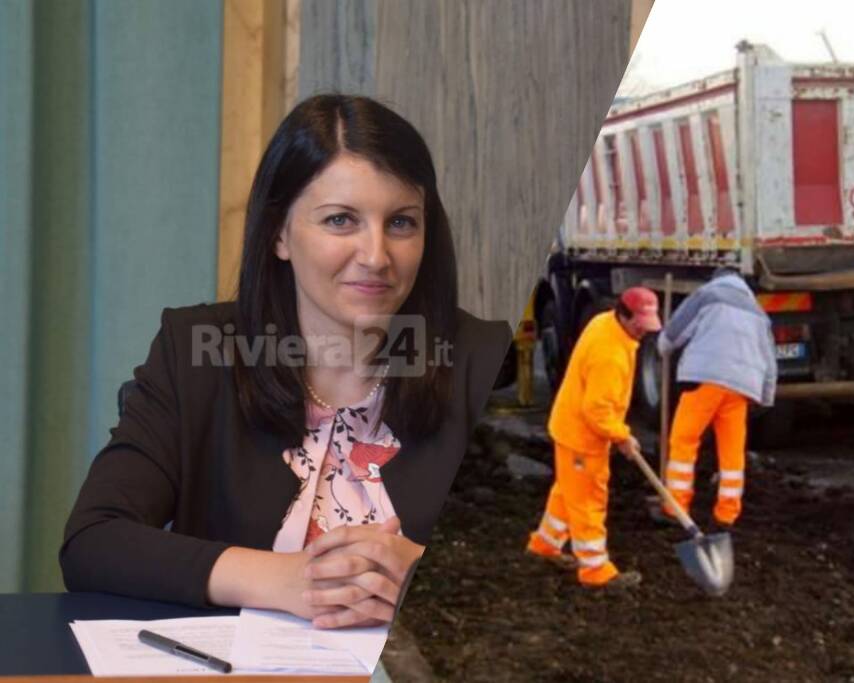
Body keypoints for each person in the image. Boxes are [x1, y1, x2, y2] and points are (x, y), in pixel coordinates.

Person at [60, 94, 511, 630]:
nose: (376, 256)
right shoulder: (197, 350)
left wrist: (420, 574)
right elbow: (94, 540)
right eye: (341, 220)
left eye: (401, 223)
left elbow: (538, 572)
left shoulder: (483, 361)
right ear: (279, 234)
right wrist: (288, 581)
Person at [525, 287, 662, 588]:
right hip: (581, 437)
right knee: (588, 500)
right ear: (623, 315)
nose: (644, 331)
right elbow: (597, 410)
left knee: (568, 491)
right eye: (639, 324)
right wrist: (621, 435)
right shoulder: (610, 355)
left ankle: (544, 544)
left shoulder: (605, 323)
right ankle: (595, 569)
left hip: (571, 428)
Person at [656, 266, 776, 529]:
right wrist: (766, 396)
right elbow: (769, 358)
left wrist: (663, 346)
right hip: (741, 387)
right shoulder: (756, 311)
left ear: (716, 278)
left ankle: (675, 508)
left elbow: (675, 332)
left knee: (684, 440)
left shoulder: (707, 295)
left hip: (705, 378)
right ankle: (726, 515)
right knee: (732, 451)